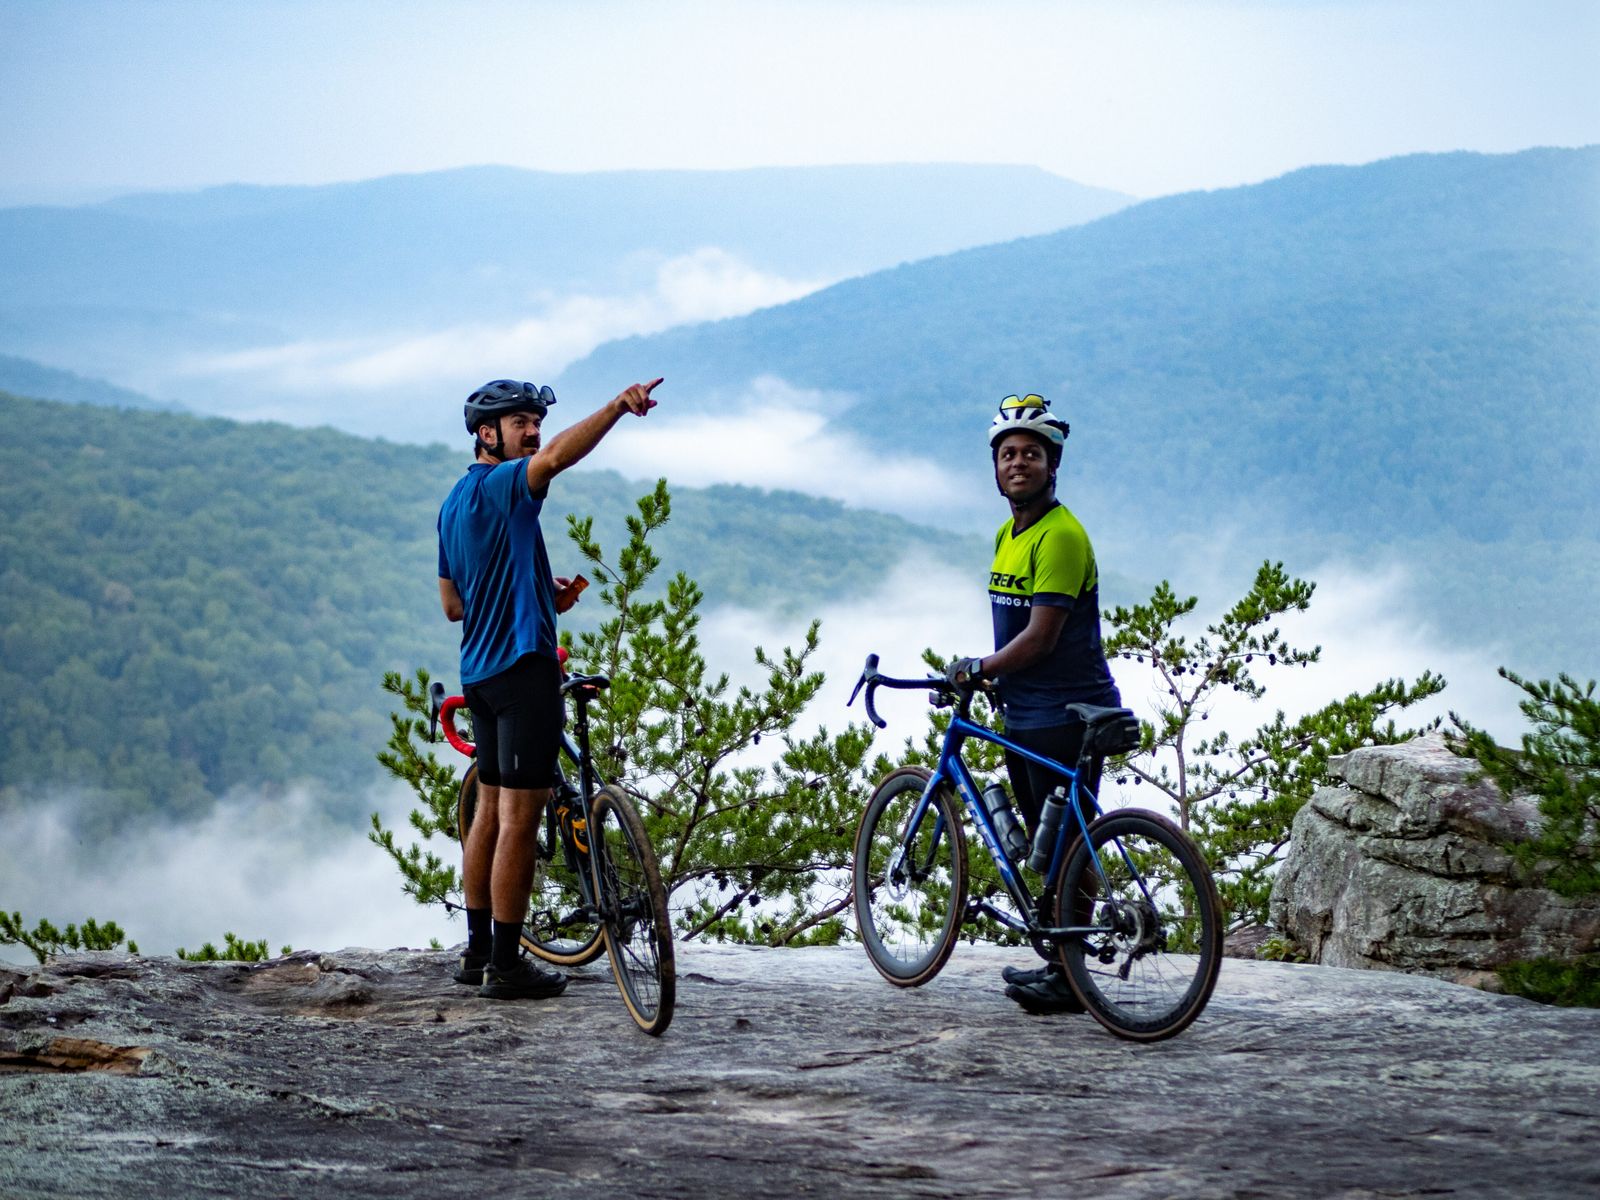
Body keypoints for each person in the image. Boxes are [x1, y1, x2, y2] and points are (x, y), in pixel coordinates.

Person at [438, 376, 661, 999]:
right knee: (519, 818)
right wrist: (617, 407)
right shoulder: (506, 484)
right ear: (487, 433)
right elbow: (558, 458)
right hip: (524, 670)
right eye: (521, 423)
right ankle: (507, 966)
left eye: (536, 422)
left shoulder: (453, 503)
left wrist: (537, 591)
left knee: (489, 812)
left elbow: (453, 605)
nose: (534, 432)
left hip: (480, 675)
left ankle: (478, 953)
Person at [945, 393, 1122, 1016]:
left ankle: (1073, 977)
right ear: (995, 468)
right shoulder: (1009, 533)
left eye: (1031, 454)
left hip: (1068, 712)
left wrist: (980, 668)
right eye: (1008, 454)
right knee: (1052, 848)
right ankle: (1062, 966)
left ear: (1053, 465)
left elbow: (1041, 636)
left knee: (1069, 846)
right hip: (1026, 713)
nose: (1018, 463)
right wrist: (998, 678)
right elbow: (1014, 626)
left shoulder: (1062, 536)